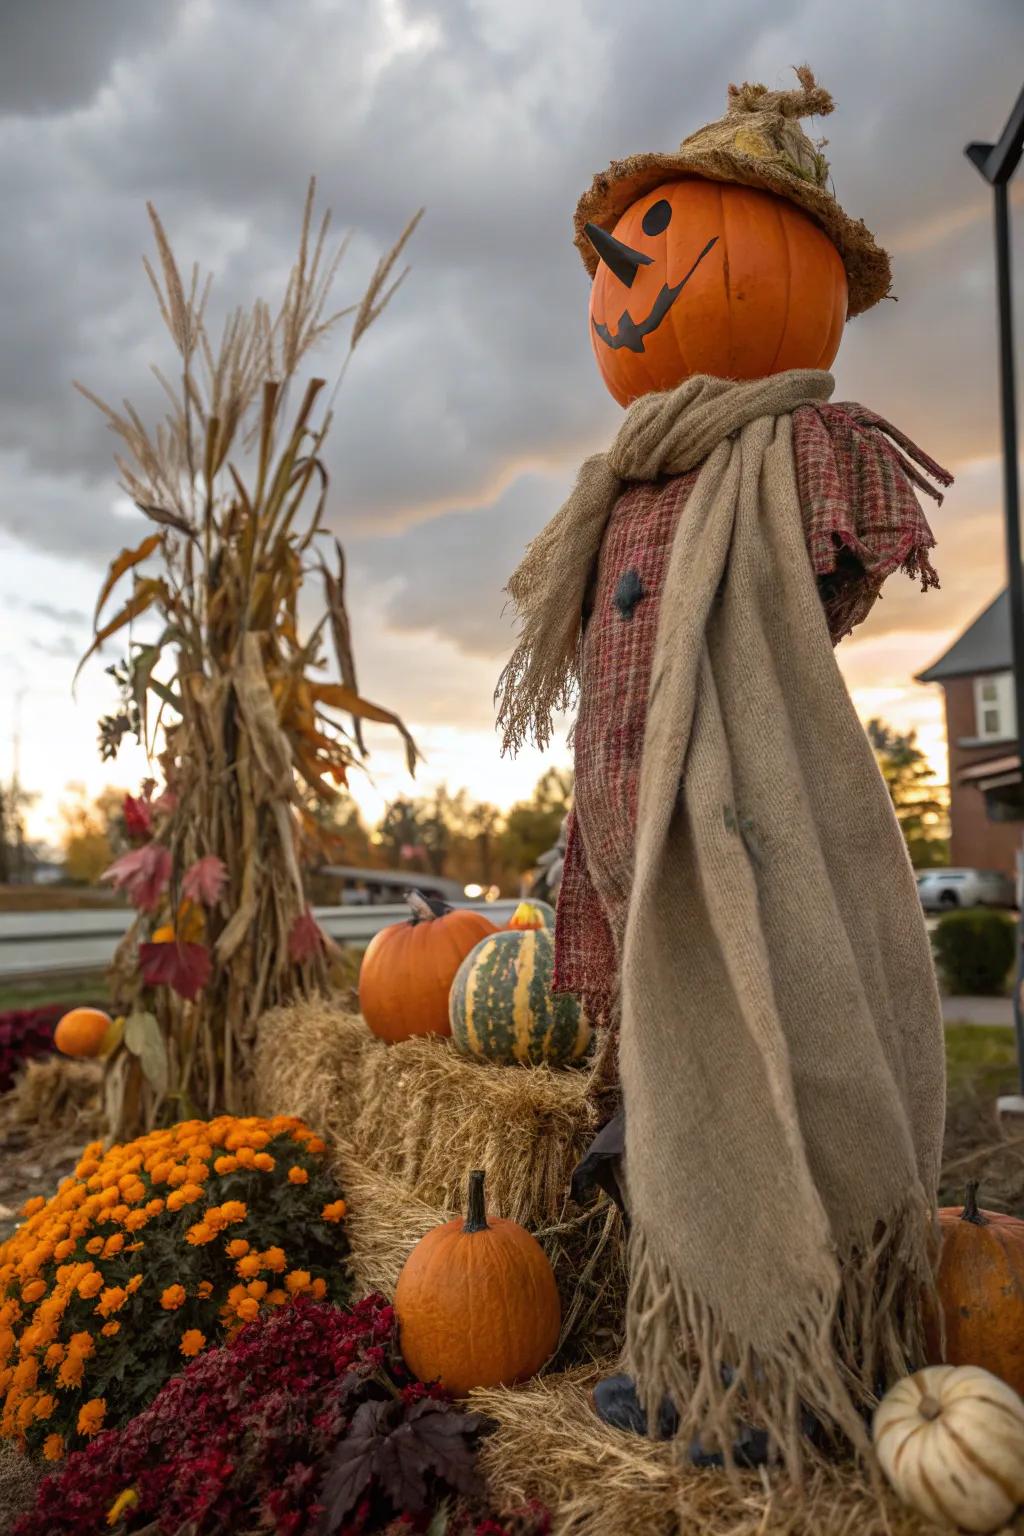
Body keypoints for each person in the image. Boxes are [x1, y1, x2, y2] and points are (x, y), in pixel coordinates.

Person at [496, 67, 950, 1476]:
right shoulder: (620, 485)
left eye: (677, 231)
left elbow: (855, 561)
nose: (630, 271)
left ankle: (795, 1365)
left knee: (776, 1072)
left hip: (739, 832)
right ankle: (691, 1351)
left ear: (792, 267)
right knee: (668, 1109)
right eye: (622, 245)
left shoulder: (793, 447)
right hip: (633, 850)